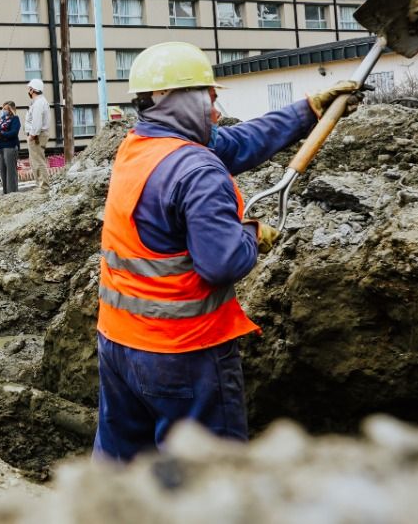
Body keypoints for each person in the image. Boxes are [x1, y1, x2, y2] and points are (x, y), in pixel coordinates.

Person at [93, 41, 364, 464]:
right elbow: (223, 262)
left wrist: (307, 110)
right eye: (209, 96)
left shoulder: (139, 147)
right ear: (174, 99)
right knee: (208, 477)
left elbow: (236, 143)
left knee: (121, 470)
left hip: (120, 345)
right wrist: (251, 236)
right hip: (184, 354)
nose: (216, 109)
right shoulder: (198, 171)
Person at [24, 79, 52, 191]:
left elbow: (37, 122)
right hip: (38, 135)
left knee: (38, 161)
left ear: (33, 90)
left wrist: (32, 135)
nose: (28, 91)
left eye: (29, 88)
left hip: (37, 136)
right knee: (36, 161)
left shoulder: (39, 103)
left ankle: (43, 186)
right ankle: (41, 185)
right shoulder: (39, 102)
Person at [0, 101, 21, 193]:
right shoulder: (2, 119)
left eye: (5, 109)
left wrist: (1, 134)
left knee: (10, 172)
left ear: (11, 110)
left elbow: (13, 132)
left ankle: (12, 192)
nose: (3, 111)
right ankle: (5, 193)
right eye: (3, 108)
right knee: (2, 171)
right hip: (0, 147)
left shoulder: (15, 119)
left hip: (10, 147)